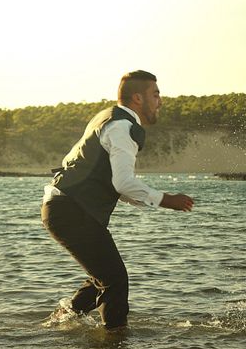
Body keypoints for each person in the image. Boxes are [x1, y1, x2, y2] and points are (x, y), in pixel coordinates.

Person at [41, 70, 194, 329]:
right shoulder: (123, 126)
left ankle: (58, 323)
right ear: (137, 98)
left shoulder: (105, 118)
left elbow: (114, 184)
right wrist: (165, 199)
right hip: (71, 210)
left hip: (63, 207)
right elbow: (123, 182)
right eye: (155, 94)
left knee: (102, 276)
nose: (161, 101)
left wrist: (146, 199)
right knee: (115, 280)